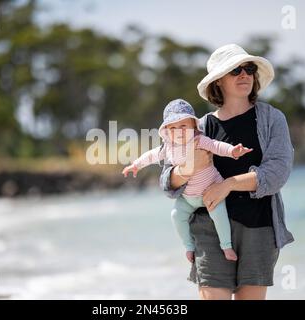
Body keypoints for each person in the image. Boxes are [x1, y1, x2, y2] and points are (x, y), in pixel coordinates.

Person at [159, 44, 295, 300]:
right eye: (235, 70)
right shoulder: (198, 127)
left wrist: (228, 184)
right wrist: (190, 167)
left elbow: (278, 172)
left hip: (259, 226)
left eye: (249, 69)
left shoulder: (272, 118)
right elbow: (167, 182)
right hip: (208, 227)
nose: (244, 74)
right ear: (218, 81)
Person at [122, 99, 252, 262]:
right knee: (176, 215)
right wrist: (136, 165)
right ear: (167, 132)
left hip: (211, 192)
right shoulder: (167, 148)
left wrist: (233, 151)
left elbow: (217, 146)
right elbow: (151, 156)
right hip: (188, 198)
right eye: (173, 128)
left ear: (193, 127)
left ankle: (226, 246)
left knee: (219, 215)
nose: (179, 131)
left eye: (183, 126)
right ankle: (189, 246)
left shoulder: (199, 141)